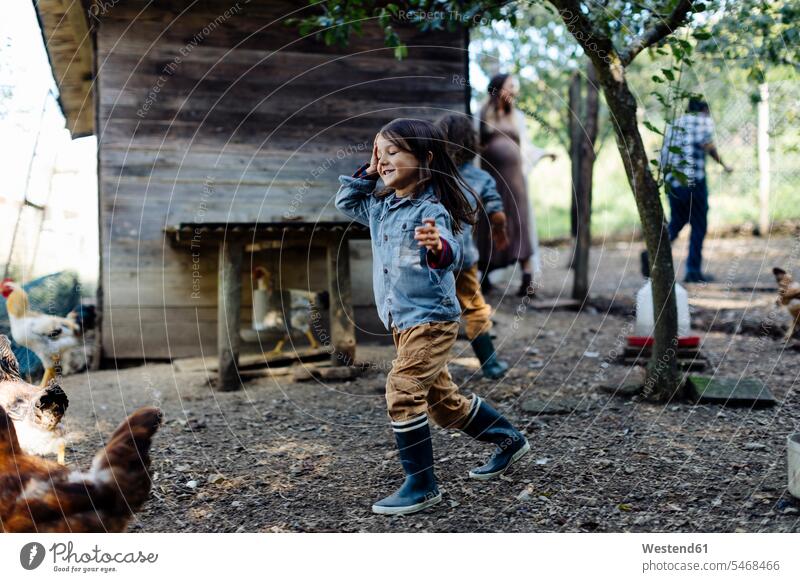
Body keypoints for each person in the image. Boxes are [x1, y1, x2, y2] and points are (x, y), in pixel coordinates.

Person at [335, 118, 530, 516]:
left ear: (425, 159)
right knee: (443, 404)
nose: (383, 160)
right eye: (378, 152)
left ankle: (422, 484)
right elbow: (346, 202)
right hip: (402, 322)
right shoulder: (380, 206)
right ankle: (509, 439)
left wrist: (436, 246)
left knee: (403, 388)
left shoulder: (432, 211)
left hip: (431, 320)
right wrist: (368, 172)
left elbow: (449, 258)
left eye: (393, 152)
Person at [436, 113, 510, 379]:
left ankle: (430, 366)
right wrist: (500, 232)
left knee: (432, 311)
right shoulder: (480, 178)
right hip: (464, 258)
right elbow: (497, 211)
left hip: (431, 258)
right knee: (475, 308)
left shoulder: (430, 176)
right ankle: (490, 364)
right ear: (471, 142)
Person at [477, 73, 557, 297]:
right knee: (490, 221)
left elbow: (526, 148)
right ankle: (484, 277)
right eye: (510, 86)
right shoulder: (482, 115)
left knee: (520, 224)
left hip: (515, 182)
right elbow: (473, 146)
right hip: (490, 181)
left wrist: (544, 152)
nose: (514, 91)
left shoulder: (517, 117)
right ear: (497, 88)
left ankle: (527, 279)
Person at [660, 98, 732, 283]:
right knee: (698, 225)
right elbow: (706, 143)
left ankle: (654, 252)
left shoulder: (675, 124)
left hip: (672, 183)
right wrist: (724, 165)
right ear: (703, 109)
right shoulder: (702, 119)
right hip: (694, 183)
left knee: (678, 221)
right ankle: (693, 271)